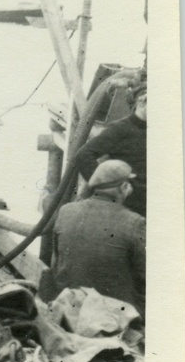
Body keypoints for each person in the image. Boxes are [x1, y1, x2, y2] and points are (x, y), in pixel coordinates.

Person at [39, 159, 146, 316]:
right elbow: (144, 275)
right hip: (114, 312)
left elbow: (57, 259)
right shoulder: (136, 222)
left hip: (69, 305)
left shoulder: (66, 211)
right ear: (124, 187)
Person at [73, 80, 147, 217]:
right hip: (128, 206)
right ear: (142, 102)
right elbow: (83, 155)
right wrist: (103, 186)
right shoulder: (120, 129)